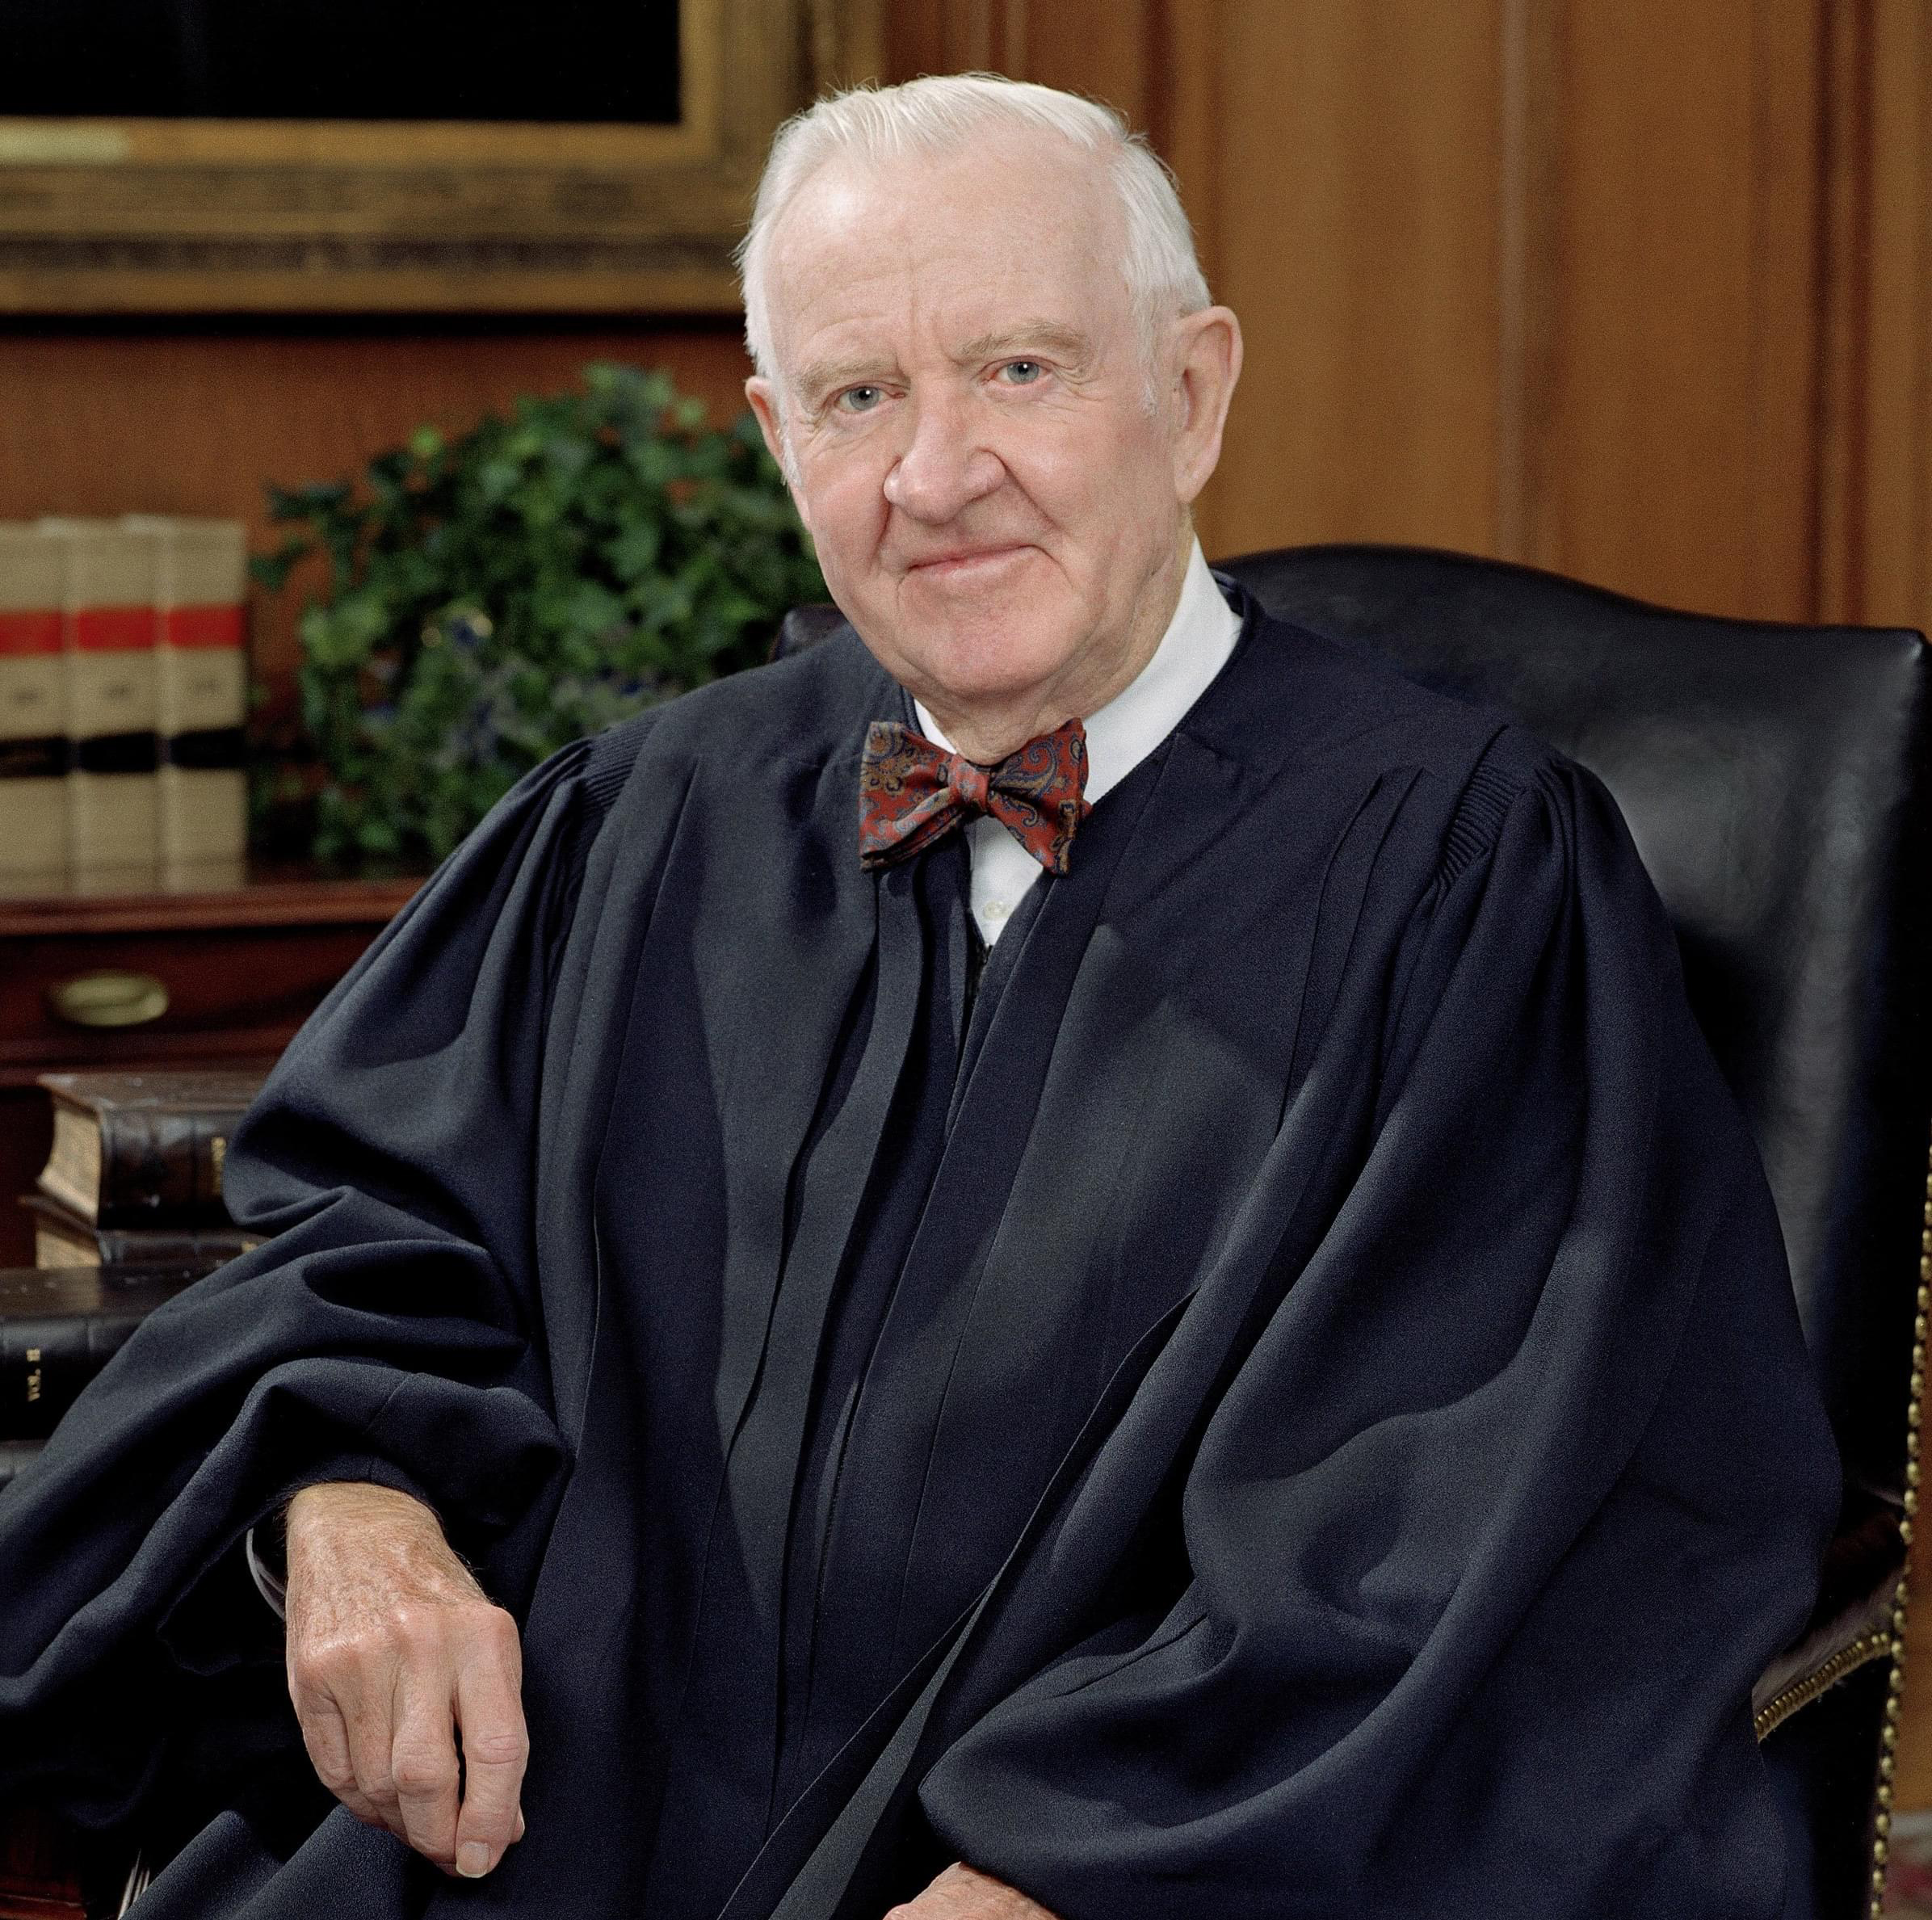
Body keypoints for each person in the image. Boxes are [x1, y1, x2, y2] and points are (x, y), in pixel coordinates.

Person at [0, 74, 1838, 1920]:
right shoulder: (639, 821)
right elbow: (367, 1248)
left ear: (1190, 393)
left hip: (1122, 1863)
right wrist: (354, 1513)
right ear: (771, 434)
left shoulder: (1462, 878)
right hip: (532, 1832)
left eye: (1018, 371)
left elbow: (1443, 1533)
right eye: (857, 396)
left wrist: (1065, 1881)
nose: (934, 477)